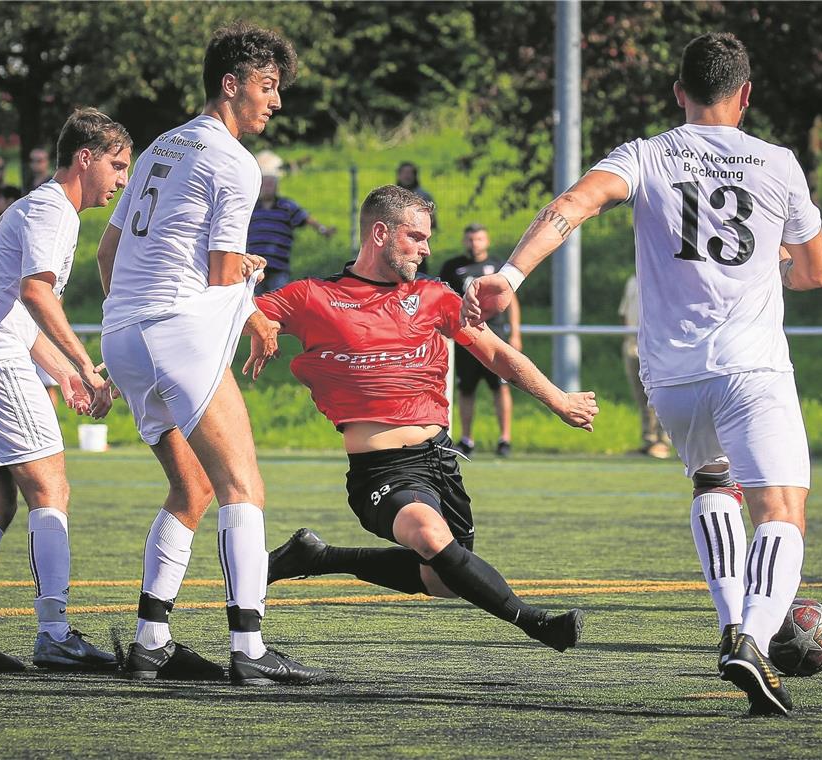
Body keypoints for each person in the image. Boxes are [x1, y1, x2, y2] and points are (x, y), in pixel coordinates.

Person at [462, 32, 822, 716]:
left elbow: (570, 206)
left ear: (678, 93)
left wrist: (509, 276)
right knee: (781, 510)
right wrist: (769, 262)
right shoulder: (779, 164)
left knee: (712, 480)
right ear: (745, 95)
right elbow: (816, 272)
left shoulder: (646, 154)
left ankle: (729, 621)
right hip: (751, 366)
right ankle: (751, 638)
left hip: (673, 374)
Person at [256, 185, 597, 654]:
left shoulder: (433, 296)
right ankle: (537, 623)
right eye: (415, 237)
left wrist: (559, 399)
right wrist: (250, 308)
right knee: (429, 535)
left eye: (427, 239)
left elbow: (496, 352)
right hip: (382, 472)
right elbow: (227, 315)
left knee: (445, 580)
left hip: (440, 461)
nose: (427, 248)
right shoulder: (314, 297)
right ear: (381, 233)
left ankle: (318, 555)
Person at [97, 22, 325, 685]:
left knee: (190, 486)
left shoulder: (159, 147)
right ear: (232, 85)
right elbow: (224, 270)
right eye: (267, 86)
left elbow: (111, 254)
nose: (274, 101)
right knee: (242, 486)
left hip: (124, 332)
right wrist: (253, 307)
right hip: (175, 330)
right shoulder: (234, 160)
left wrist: (135, 325)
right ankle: (249, 650)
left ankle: (150, 641)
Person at [0, 108, 129, 672]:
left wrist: (60, 372)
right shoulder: (53, 209)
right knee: (50, 489)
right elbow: (38, 294)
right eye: (116, 165)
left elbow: (15, 307)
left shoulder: (35, 207)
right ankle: (55, 633)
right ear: (84, 158)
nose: (121, 181)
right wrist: (85, 366)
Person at [438, 223, 521, 457]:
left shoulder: (498, 266)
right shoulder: (453, 267)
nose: (474, 244)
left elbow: (511, 300)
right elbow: (442, 301)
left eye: (479, 239)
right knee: (466, 389)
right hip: (465, 337)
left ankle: (505, 439)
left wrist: (515, 333)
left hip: (495, 337)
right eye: (470, 239)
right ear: (464, 241)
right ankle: (466, 439)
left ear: (487, 240)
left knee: (501, 387)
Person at [248, 167, 335, 295]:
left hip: (278, 267)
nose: (267, 187)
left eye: (271, 184)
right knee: (252, 304)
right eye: (265, 184)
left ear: (277, 187)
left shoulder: (286, 206)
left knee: (277, 303)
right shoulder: (252, 207)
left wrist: (323, 230)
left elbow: (306, 218)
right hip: (254, 268)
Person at [618, 273, 671, 458]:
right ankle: (649, 440)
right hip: (633, 347)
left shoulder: (664, 279)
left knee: (662, 395)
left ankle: (663, 441)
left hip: (658, 346)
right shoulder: (632, 280)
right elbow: (624, 313)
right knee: (642, 398)